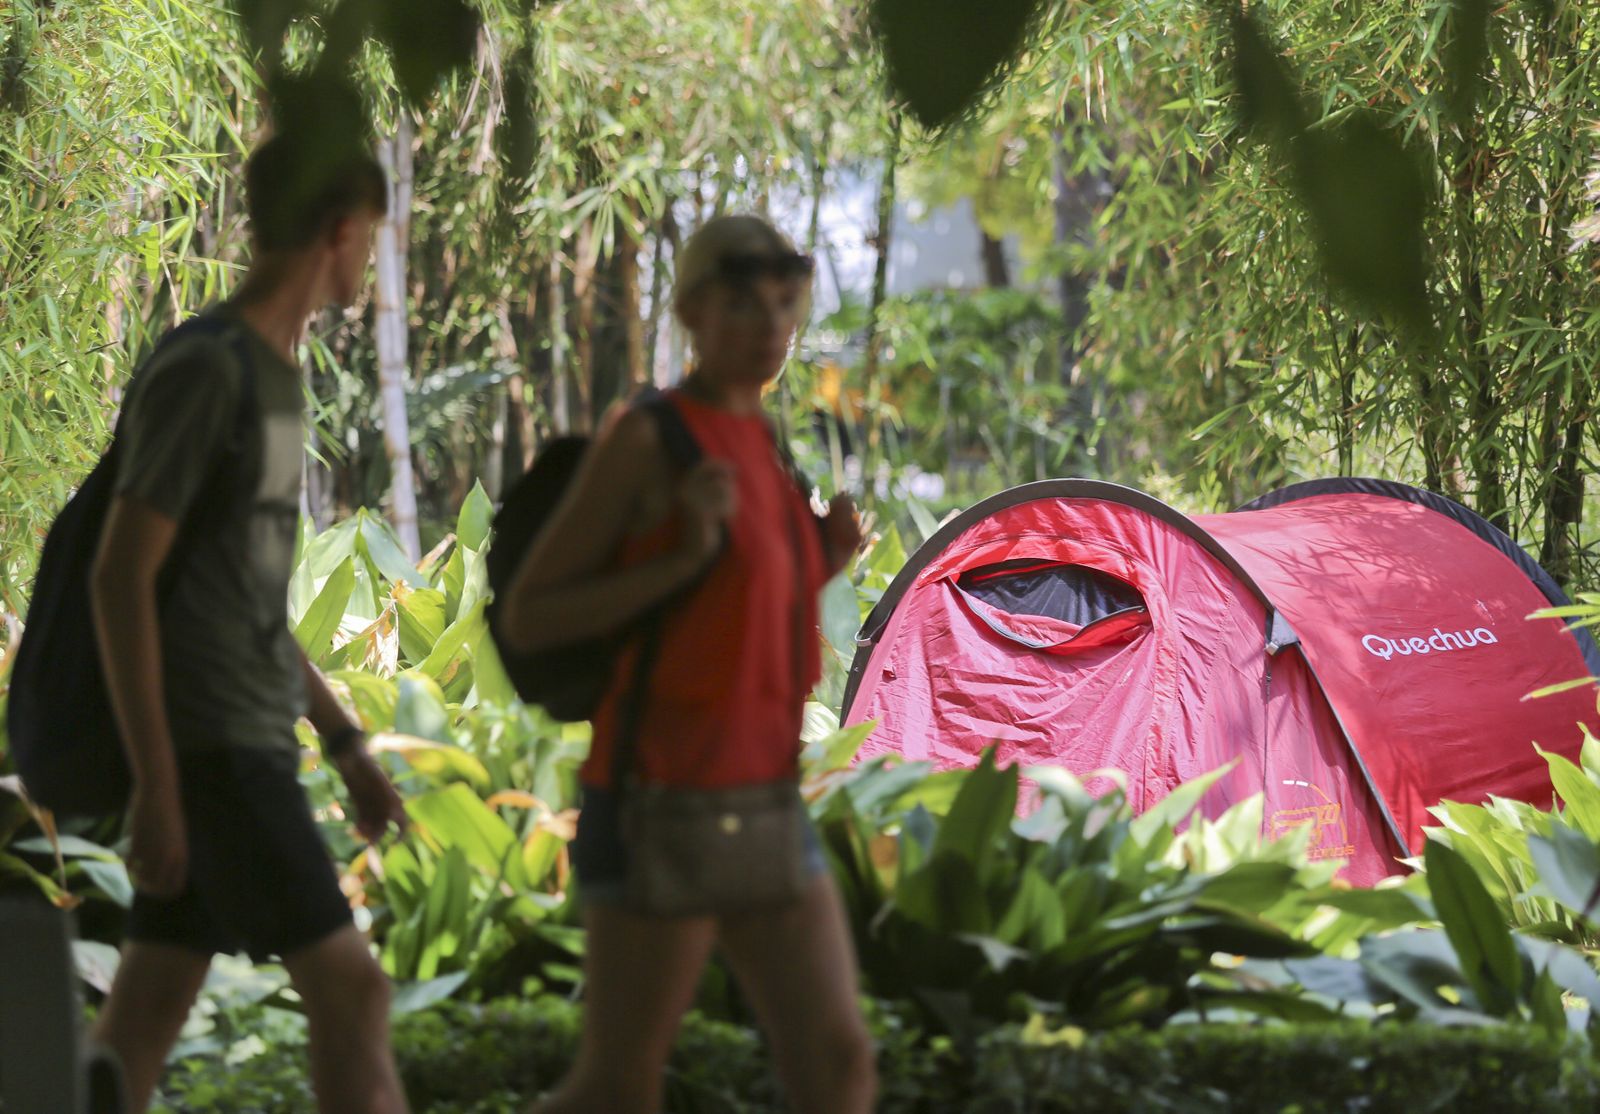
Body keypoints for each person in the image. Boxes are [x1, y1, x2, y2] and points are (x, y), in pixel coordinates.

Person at [499, 214, 877, 1114]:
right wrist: (676, 557)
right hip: (658, 806)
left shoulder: (767, 447)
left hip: (767, 804)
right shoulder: (652, 437)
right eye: (743, 303)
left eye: (785, 303)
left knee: (839, 1065)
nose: (770, 325)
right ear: (693, 311)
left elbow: (734, 616)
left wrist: (821, 560)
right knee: (616, 1089)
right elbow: (533, 613)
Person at [88, 134, 411, 1114]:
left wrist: (345, 740)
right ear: (341, 229)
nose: (368, 261)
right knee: (352, 988)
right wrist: (155, 781)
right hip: (215, 749)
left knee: (144, 1012)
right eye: (370, 240)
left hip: (243, 735)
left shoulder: (276, 377)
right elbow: (118, 578)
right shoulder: (208, 370)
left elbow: (254, 605)